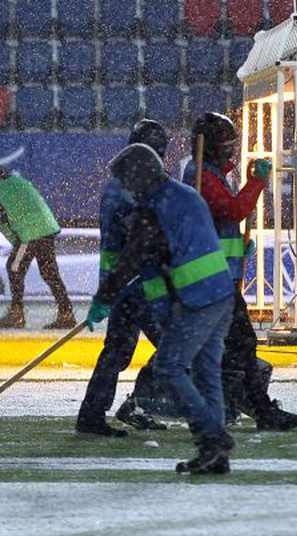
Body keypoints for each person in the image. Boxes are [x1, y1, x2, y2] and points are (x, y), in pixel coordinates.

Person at [94, 143, 236, 474]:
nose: (125, 190)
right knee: (206, 374)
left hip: (196, 299)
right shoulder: (185, 195)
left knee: (169, 367)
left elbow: (133, 257)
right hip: (221, 294)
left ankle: (213, 436)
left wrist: (104, 298)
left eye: (126, 182)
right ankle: (214, 456)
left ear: (140, 176)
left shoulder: (153, 209)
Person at [185, 112, 297, 432]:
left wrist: (239, 249)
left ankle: (233, 406)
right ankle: (259, 409)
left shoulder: (207, 172)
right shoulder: (200, 175)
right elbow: (233, 209)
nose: (231, 150)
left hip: (215, 277)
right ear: (211, 147)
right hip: (212, 281)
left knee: (221, 347)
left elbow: (219, 222)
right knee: (240, 343)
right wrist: (257, 182)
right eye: (227, 145)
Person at [75, 120, 170, 437]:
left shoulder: (125, 183)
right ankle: (142, 403)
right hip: (136, 285)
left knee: (116, 352)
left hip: (124, 284)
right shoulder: (129, 190)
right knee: (175, 345)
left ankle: (92, 415)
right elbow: (144, 241)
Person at [0, 160, 76, 329]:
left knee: (14, 267)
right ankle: (66, 313)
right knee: (49, 273)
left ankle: (16, 314)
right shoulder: (18, 181)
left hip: (31, 233)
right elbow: (19, 208)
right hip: (47, 228)